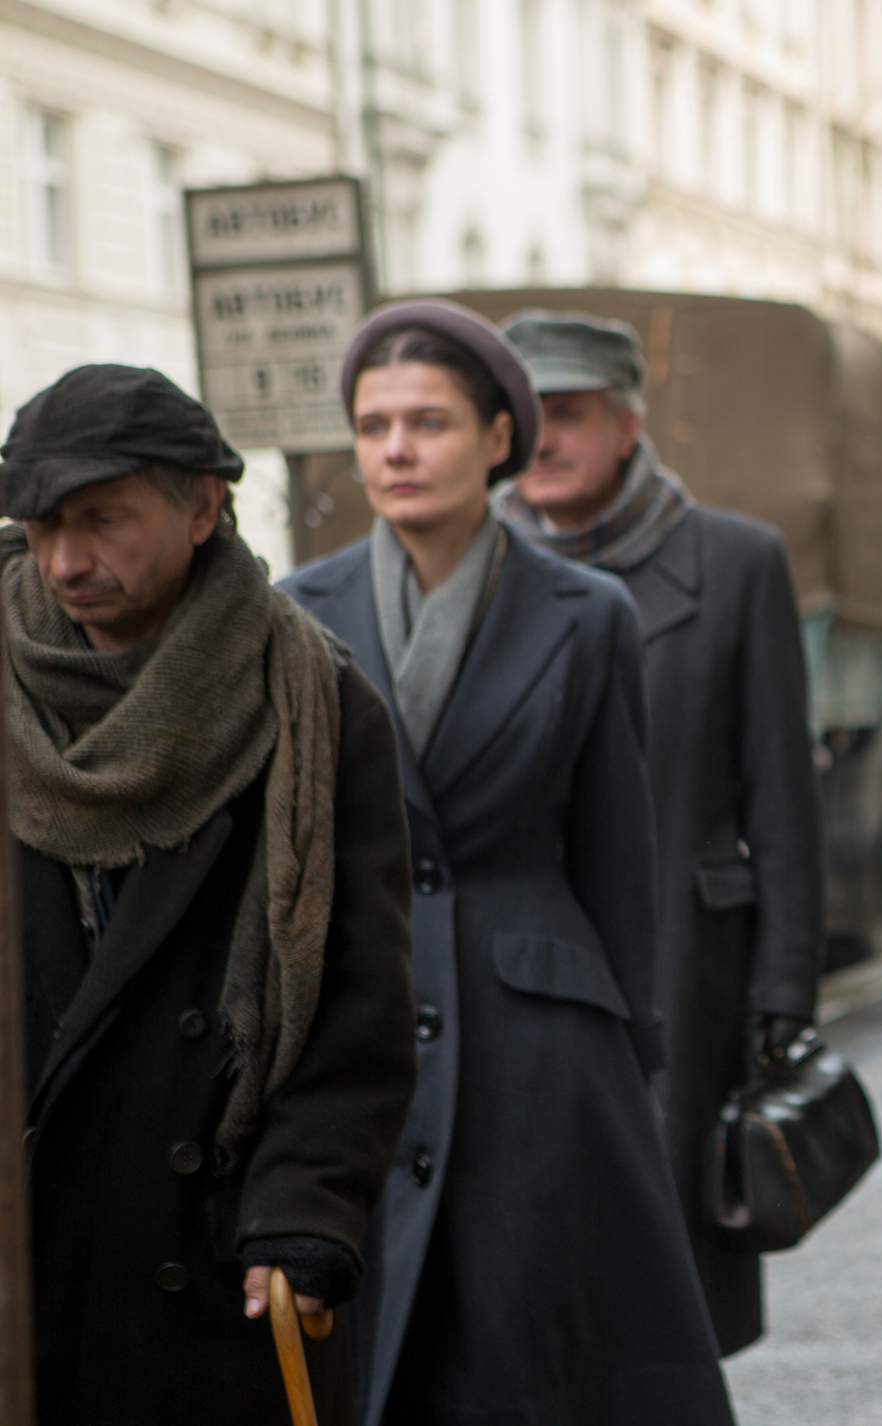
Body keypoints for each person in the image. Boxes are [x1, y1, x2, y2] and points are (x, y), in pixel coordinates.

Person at [279, 300, 733, 1426]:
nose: (395, 448)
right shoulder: (297, 613)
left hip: (541, 1038)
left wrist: (633, 1051)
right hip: (366, 1016)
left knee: (536, 1349)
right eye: (374, 423)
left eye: (427, 421)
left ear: (497, 439)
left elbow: (617, 853)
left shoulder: (587, 614)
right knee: (392, 1346)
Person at [3, 365, 417, 1424]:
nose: (64, 560)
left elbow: (358, 998)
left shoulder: (315, 702)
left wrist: (306, 1210)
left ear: (202, 507)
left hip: (208, 1257)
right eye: (41, 523)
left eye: (102, 520)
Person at [492, 309, 825, 1356]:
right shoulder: (470, 566)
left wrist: (780, 992)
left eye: (572, 414)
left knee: (669, 1279)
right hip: (523, 968)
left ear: (628, 424)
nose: (545, 438)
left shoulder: (734, 562)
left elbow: (780, 794)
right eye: (527, 415)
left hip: (689, 976)